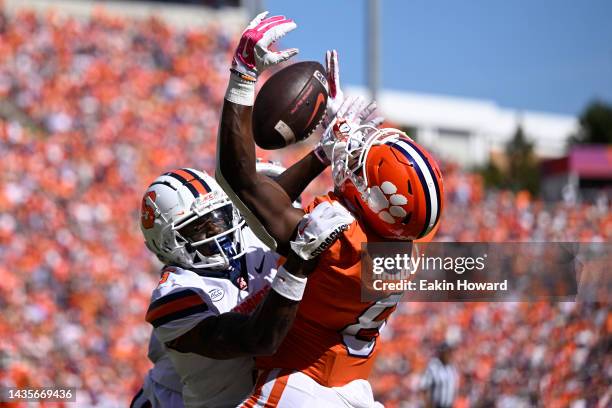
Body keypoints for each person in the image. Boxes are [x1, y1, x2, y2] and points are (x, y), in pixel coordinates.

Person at [212, 11, 445, 407]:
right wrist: (333, 150)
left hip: (300, 385)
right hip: (354, 387)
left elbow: (242, 182)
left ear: (375, 200)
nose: (352, 157)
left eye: (359, 162)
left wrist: (244, 73)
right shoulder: (417, 233)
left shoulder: (339, 247)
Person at [133, 162, 332, 408]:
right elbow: (259, 339)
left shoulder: (245, 234)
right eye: (197, 229)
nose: (217, 232)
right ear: (166, 245)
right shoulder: (177, 292)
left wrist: (322, 156)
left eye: (219, 217)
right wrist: (297, 266)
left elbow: (268, 203)